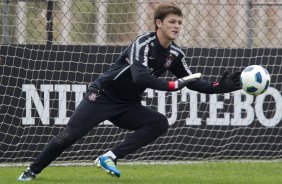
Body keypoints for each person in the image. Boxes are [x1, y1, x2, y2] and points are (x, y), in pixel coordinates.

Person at [18, 2, 241, 181]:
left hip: (127, 104)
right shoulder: (143, 43)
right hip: (102, 96)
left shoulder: (175, 54)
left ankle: (110, 156)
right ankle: (31, 171)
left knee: (159, 122)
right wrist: (171, 86)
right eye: (172, 22)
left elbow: (191, 81)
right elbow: (140, 76)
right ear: (158, 23)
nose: (177, 26)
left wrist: (219, 88)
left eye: (180, 23)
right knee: (68, 137)